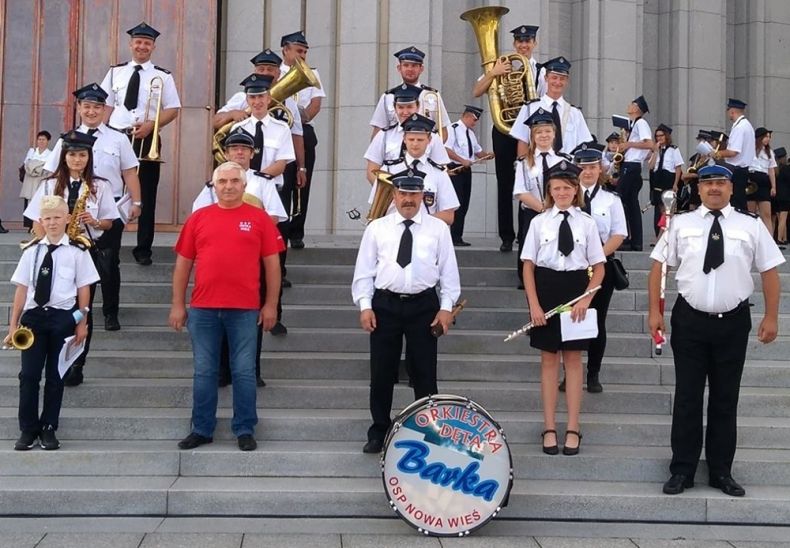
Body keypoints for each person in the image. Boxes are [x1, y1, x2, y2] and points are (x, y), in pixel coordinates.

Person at [648, 163, 784, 497]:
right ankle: (682, 470)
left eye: (721, 183)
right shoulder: (681, 224)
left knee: (725, 399)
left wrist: (771, 317)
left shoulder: (750, 225)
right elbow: (658, 267)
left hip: (733, 323)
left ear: (731, 188)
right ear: (698, 189)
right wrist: (654, 311)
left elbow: (769, 272)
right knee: (687, 398)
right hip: (690, 320)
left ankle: (721, 471)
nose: (714, 189)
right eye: (708, 183)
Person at [169, 161, 284, 452]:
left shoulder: (259, 219)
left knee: (244, 371)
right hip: (203, 309)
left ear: (244, 186)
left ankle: (244, 428)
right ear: (214, 186)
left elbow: (273, 267)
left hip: (245, 310)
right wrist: (177, 305)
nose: (229, 186)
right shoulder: (198, 218)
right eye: (223, 182)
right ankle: (201, 428)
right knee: (204, 371)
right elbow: (183, 264)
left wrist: (270, 305)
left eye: (235, 181)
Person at [352, 171, 461, 454]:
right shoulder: (377, 228)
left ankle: (428, 430)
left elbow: (449, 273)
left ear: (422, 195)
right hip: (385, 305)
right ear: (394, 195)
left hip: (423, 306)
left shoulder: (438, 229)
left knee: (424, 372)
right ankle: (379, 429)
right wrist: (365, 306)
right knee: (381, 371)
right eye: (403, 194)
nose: (408, 200)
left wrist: (446, 308)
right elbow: (364, 272)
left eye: (413, 194)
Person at [521, 160, 605, 456]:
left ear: (575, 190)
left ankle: (572, 426)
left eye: (567, 188)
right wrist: (533, 304)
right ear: (549, 190)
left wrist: (586, 299)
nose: (561, 193)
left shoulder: (587, 223)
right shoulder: (538, 222)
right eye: (556, 188)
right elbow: (528, 266)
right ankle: (549, 427)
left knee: (572, 360)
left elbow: (598, 268)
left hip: (576, 291)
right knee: (548, 361)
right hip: (545, 289)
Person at [193, 127, 287, 388]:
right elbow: (197, 216)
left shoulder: (263, 182)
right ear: (225, 153)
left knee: (252, 316)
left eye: (244, 149)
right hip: (221, 258)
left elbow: (274, 217)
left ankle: (252, 370)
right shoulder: (214, 185)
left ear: (252, 153)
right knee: (219, 316)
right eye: (234, 148)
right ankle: (223, 370)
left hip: (254, 257)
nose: (239, 153)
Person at [25, 131, 120, 387]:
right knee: (55, 306)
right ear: (64, 157)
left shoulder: (101, 185)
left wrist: (95, 221)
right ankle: (52, 358)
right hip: (54, 253)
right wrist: (47, 243)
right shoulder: (48, 184)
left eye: (82, 155)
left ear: (89, 158)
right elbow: (36, 219)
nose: (77, 160)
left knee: (82, 311)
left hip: (85, 253)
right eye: (72, 155)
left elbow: (110, 222)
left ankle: (76, 363)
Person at [45, 83, 143, 332]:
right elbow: (50, 174)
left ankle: (110, 312)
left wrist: (137, 202)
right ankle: (76, 313)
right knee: (74, 263)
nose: (91, 111)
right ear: (79, 108)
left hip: (110, 209)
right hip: (72, 211)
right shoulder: (67, 139)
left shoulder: (118, 138)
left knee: (108, 263)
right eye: (87, 106)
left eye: (97, 107)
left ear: (105, 109)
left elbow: (129, 172)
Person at [8, 195, 98, 451]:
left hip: (62, 318)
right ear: (41, 221)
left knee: (56, 376)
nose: (52, 222)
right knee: (28, 375)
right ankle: (28, 429)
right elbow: (22, 290)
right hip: (34, 318)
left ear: (67, 218)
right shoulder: (32, 251)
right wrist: (13, 325)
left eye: (57, 217)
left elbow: (84, 291)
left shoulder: (78, 252)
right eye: (47, 218)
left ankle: (48, 428)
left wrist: (82, 323)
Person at [99, 22, 181, 266]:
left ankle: (143, 248)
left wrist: (151, 125)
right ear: (131, 44)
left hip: (146, 138)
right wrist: (100, 133)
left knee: (145, 194)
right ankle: (106, 240)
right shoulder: (115, 72)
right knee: (108, 189)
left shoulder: (163, 76)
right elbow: (107, 105)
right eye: (138, 42)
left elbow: (174, 109)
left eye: (147, 43)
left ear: (153, 47)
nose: (142, 46)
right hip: (116, 135)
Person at [471, 24, 547, 252]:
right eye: (520, 41)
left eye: (528, 41)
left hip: (529, 132)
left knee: (532, 181)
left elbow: (543, 101)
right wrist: (494, 73)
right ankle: (506, 235)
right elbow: (476, 91)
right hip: (504, 130)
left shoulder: (541, 71)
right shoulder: (500, 65)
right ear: (514, 44)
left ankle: (527, 232)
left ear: (534, 44)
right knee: (504, 182)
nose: (524, 45)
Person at [230, 73, 296, 335]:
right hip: (238, 197)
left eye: (261, 96)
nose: (257, 101)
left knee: (274, 257)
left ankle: (274, 313)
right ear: (247, 99)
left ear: (269, 98)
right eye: (252, 97)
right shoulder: (238, 130)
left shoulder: (281, 129)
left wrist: (256, 181)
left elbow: (282, 163)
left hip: (271, 195)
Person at [558, 145, 627, 394]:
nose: (587, 172)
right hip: (572, 268)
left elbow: (619, 234)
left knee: (597, 319)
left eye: (592, 167)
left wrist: (596, 257)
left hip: (601, 267)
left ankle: (593, 373)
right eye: (583, 167)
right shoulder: (567, 198)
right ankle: (569, 373)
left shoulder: (611, 200)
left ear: (601, 169)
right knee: (570, 319)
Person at [280, 30, 326, 250]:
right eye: (299, 50)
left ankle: (297, 231)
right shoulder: (274, 71)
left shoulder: (313, 73)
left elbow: (316, 104)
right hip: (279, 130)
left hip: (304, 130)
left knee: (302, 183)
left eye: (305, 51)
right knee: (283, 183)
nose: (303, 55)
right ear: (285, 50)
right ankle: (281, 229)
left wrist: (300, 116)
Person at [512, 108, 566, 288]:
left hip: (557, 213)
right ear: (533, 136)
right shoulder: (523, 162)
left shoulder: (563, 161)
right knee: (530, 248)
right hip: (532, 213)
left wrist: (554, 209)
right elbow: (520, 191)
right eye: (539, 132)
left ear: (554, 134)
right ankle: (527, 281)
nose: (544, 135)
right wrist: (543, 209)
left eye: (547, 131)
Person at [373, 113, 459, 225]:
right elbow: (376, 211)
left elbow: (449, 216)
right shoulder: (388, 170)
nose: (415, 144)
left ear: (429, 140)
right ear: (404, 139)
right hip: (392, 235)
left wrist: (418, 222)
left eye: (420, 140)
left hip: (426, 236)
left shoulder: (439, 173)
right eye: (411, 139)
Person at [364, 83, 450, 185]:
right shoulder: (383, 135)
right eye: (400, 107)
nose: (405, 112)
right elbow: (371, 172)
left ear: (417, 107)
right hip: (391, 197)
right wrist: (388, 194)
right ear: (395, 108)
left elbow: (442, 172)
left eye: (410, 107)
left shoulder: (432, 137)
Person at [369, 46, 451, 141]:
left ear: (421, 69)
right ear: (399, 68)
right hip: (394, 153)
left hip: (425, 152)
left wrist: (432, 150)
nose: (410, 69)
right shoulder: (388, 97)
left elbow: (443, 131)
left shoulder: (432, 96)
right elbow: (378, 130)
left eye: (414, 65)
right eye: (406, 65)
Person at [444, 105, 492, 246]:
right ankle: (452, 237)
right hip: (455, 169)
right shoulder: (452, 129)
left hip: (466, 170)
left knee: (464, 204)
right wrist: (461, 160)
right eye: (474, 119)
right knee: (456, 204)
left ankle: (458, 236)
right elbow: (446, 149)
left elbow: (477, 152)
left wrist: (487, 155)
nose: (475, 123)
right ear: (467, 115)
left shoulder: (470, 133)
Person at [615, 95, 653, 251]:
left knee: (620, 200)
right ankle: (634, 241)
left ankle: (628, 237)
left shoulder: (641, 123)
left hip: (631, 167)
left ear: (637, 108)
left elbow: (649, 144)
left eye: (632, 104)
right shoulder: (634, 124)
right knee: (631, 204)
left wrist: (629, 144)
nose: (629, 105)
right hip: (631, 165)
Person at [715, 98, 754, 211]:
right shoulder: (746, 125)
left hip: (736, 170)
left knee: (736, 203)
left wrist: (717, 153)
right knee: (739, 202)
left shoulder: (740, 127)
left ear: (732, 111)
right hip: (742, 169)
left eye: (728, 110)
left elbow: (733, 152)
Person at [647, 124, 683, 238]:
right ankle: (657, 234)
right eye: (657, 136)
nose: (659, 138)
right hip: (657, 179)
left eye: (661, 136)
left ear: (666, 136)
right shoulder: (655, 150)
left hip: (668, 178)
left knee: (666, 208)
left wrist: (675, 184)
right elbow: (651, 167)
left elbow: (678, 167)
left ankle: (666, 234)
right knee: (658, 208)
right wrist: (655, 152)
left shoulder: (674, 149)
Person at [20, 131, 52, 228]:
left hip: (41, 180)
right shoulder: (32, 151)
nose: (41, 141)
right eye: (39, 139)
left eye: (43, 139)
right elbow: (26, 164)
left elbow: (49, 168)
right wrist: (37, 166)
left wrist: (36, 166)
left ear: (48, 141)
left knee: (41, 202)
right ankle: (30, 226)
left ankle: (40, 225)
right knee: (30, 202)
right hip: (30, 181)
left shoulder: (50, 154)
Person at [748, 127, 777, 232]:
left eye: (769, 137)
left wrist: (773, 186)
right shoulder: (749, 149)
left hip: (764, 180)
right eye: (766, 137)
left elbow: (771, 170)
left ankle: (769, 242)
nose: (768, 139)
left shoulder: (770, 152)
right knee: (750, 214)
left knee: (766, 214)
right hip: (751, 178)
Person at [773, 147, 789, 245]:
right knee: (783, 218)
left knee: (780, 218)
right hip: (786, 196)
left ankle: (784, 238)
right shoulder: (787, 169)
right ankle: (779, 239)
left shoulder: (775, 169)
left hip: (776, 196)